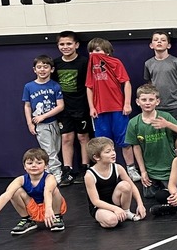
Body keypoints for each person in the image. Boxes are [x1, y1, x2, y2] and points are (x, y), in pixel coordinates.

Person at [126, 84, 177, 209]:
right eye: (144, 100)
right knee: (150, 197)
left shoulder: (165, 117)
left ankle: (171, 203)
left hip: (170, 169)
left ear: (157, 101)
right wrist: (143, 171)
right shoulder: (134, 123)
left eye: (151, 100)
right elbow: (136, 147)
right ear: (138, 102)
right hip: (151, 172)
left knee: (173, 194)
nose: (147, 103)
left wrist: (168, 125)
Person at [85, 37, 137, 178]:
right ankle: (107, 170)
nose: (93, 54)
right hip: (100, 110)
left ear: (107, 52)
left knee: (125, 141)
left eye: (97, 50)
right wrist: (92, 107)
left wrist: (126, 103)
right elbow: (89, 87)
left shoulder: (115, 62)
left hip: (118, 108)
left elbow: (126, 82)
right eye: (91, 51)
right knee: (102, 144)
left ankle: (131, 168)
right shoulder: (90, 65)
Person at [0, 148, 67, 236]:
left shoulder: (50, 178)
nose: (34, 166)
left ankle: (57, 217)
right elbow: (6, 195)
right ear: (24, 166)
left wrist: (49, 209)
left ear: (46, 166)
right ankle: (28, 219)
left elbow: (48, 192)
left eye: (39, 163)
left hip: (50, 208)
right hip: (33, 208)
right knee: (14, 192)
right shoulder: (20, 180)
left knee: (54, 190)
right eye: (30, 163)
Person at [53, 30, 91, 185]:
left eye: (69, 43)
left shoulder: (84, 62)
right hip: (64, 108)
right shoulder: (55, 64)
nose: (65, 47)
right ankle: (67, 171)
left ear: (76, 45)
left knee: (83, 137)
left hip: (82, 106)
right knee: (66, 138)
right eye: (62, 44)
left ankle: (85, 169)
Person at [83, 137, 146, 228]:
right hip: (99, 207)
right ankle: (107, 216)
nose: (113, 153)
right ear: (96, 157)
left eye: (113, 150)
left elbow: (132, 186)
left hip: (114, 200)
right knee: (112, 221)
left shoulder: (118, 168)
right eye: (108, 152)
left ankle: (126, 211)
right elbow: (95, 201)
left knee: (125, 185)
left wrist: (140, 204)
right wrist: (115, 209)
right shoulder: (89, 175)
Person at [22, 54, 64, 184]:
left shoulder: (55, 86)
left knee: (55, 149)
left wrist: (44, 116)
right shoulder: (29, 86)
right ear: (34, 70)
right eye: (39, 67)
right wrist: (30, 123)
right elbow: (27, 105)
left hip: (54, 123)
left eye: (45, 67)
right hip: (40, 125)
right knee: (49, 151)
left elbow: (60, 106)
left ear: (51, 69)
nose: (42, 70)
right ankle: (55, 173)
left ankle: (49, 171)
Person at [144, 32, 177, 122]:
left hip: (174, 105)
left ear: (168, 45)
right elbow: (149, 83)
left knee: (174, 131)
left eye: (163, 40)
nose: (159, 42)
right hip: (156, 105)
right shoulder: (148, 63)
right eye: (156, 40)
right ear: (151, 45)